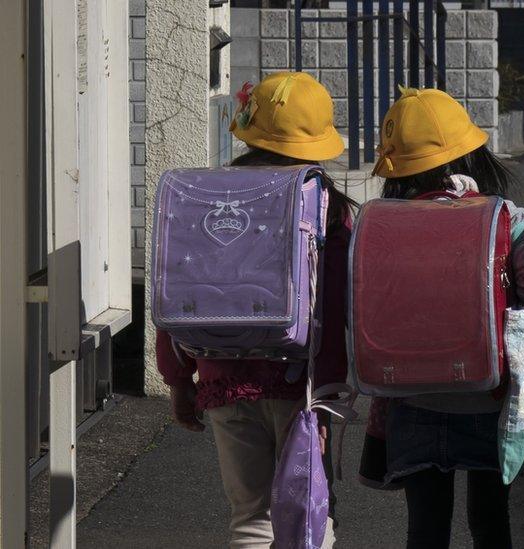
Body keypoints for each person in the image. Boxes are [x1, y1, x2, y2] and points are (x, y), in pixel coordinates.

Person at [155, 71, 354, 549]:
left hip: (223, 379)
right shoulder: (328, 207)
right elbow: (337, 305)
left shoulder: (208, 198)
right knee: (307, 513)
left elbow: (181, 285)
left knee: (251, 517)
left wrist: (180, 379)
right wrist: (332, 392)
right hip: (300, 386)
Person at [369, 87, 524, 549]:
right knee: (490, 522)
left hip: (411, 396)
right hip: (486, 396)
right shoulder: (502, 217)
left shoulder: (385, 222)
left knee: (426, 528)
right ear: (475, 156)